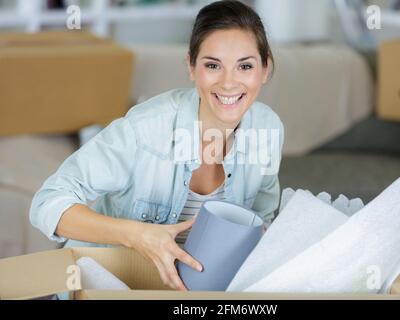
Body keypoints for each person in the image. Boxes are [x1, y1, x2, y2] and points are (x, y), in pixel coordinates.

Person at [30, 0, 284, 291]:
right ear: (191, 66)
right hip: (105, 282)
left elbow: (261, 221)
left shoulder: (268, 129)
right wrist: (136, 235)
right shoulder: (146, 129)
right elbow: (47, 203)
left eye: (245, 66)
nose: (229, 82)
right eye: (213, 65)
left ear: (265, 70)